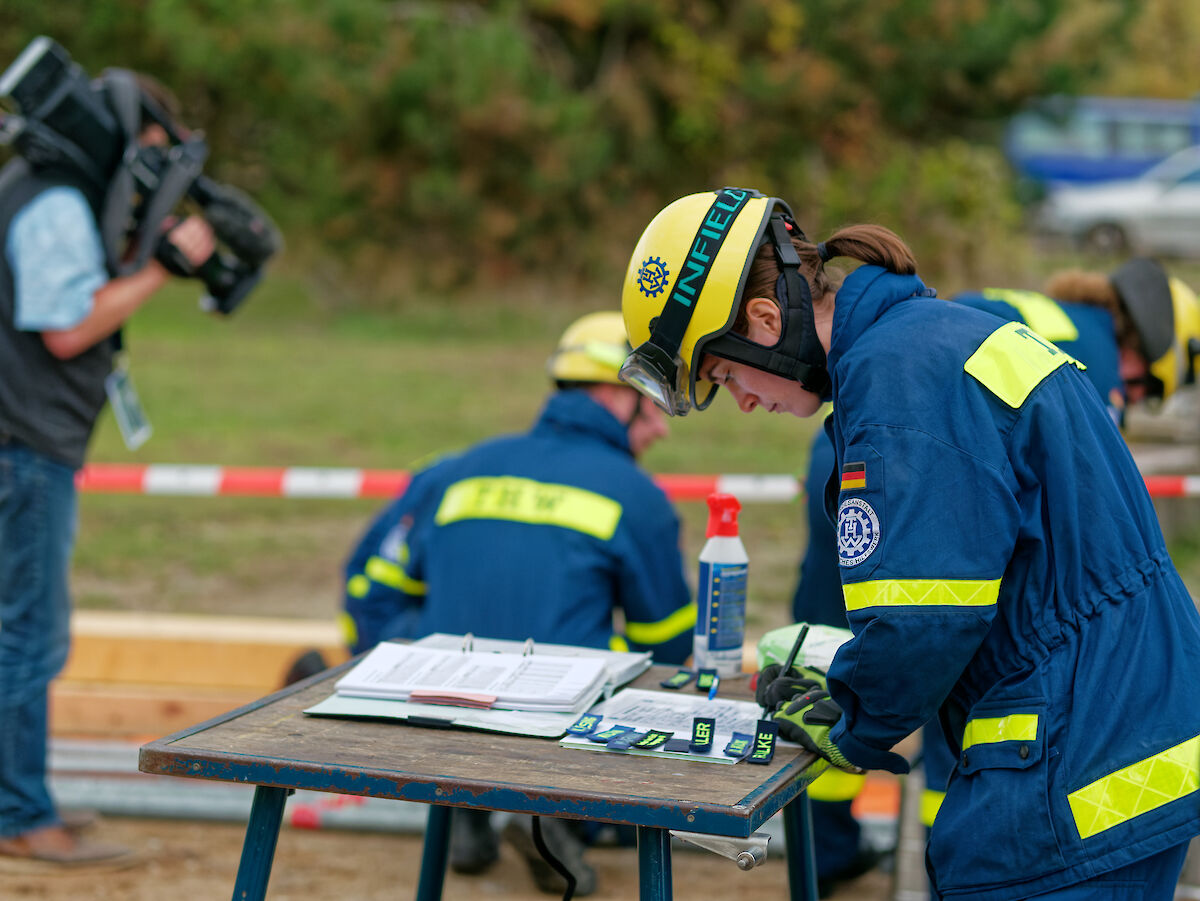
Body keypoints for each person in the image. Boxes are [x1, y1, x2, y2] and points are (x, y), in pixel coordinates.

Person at [619, 187, 1200, 899]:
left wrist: (854, 717)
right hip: (1124, 732)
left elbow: (923, 618)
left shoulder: (896, 380)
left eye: (724, 374)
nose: (741, 399)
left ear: (765, 321)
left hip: (1072, 767)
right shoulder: (929, 335)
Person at [789, 258, 1200, 895]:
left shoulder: (1000, 317)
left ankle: (838, 841)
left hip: (861, 456)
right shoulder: (1085, 350)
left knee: (871, 674)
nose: (1133, 399)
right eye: (1142, 389)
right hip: (904, 467)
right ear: (1144, 352)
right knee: (950, 711)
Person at [341, 310, 694, 896]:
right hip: (557, 737)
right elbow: (668, 646)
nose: (662, 427)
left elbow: (369, 592)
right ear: (615, 394)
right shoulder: (637, 498)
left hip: (432, 718)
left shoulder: (449, 473)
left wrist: (396, 677)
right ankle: (556, 818)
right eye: (654, 403)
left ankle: (466, 810)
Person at [0, 76, 216, 865]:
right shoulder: (54, 201)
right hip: (23, 446)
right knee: (28, 635)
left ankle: (18, 798)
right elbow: (65, 328)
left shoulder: (38, 187)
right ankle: (20, 816)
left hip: (21, 439)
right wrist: (160, 268)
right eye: (152, 152)